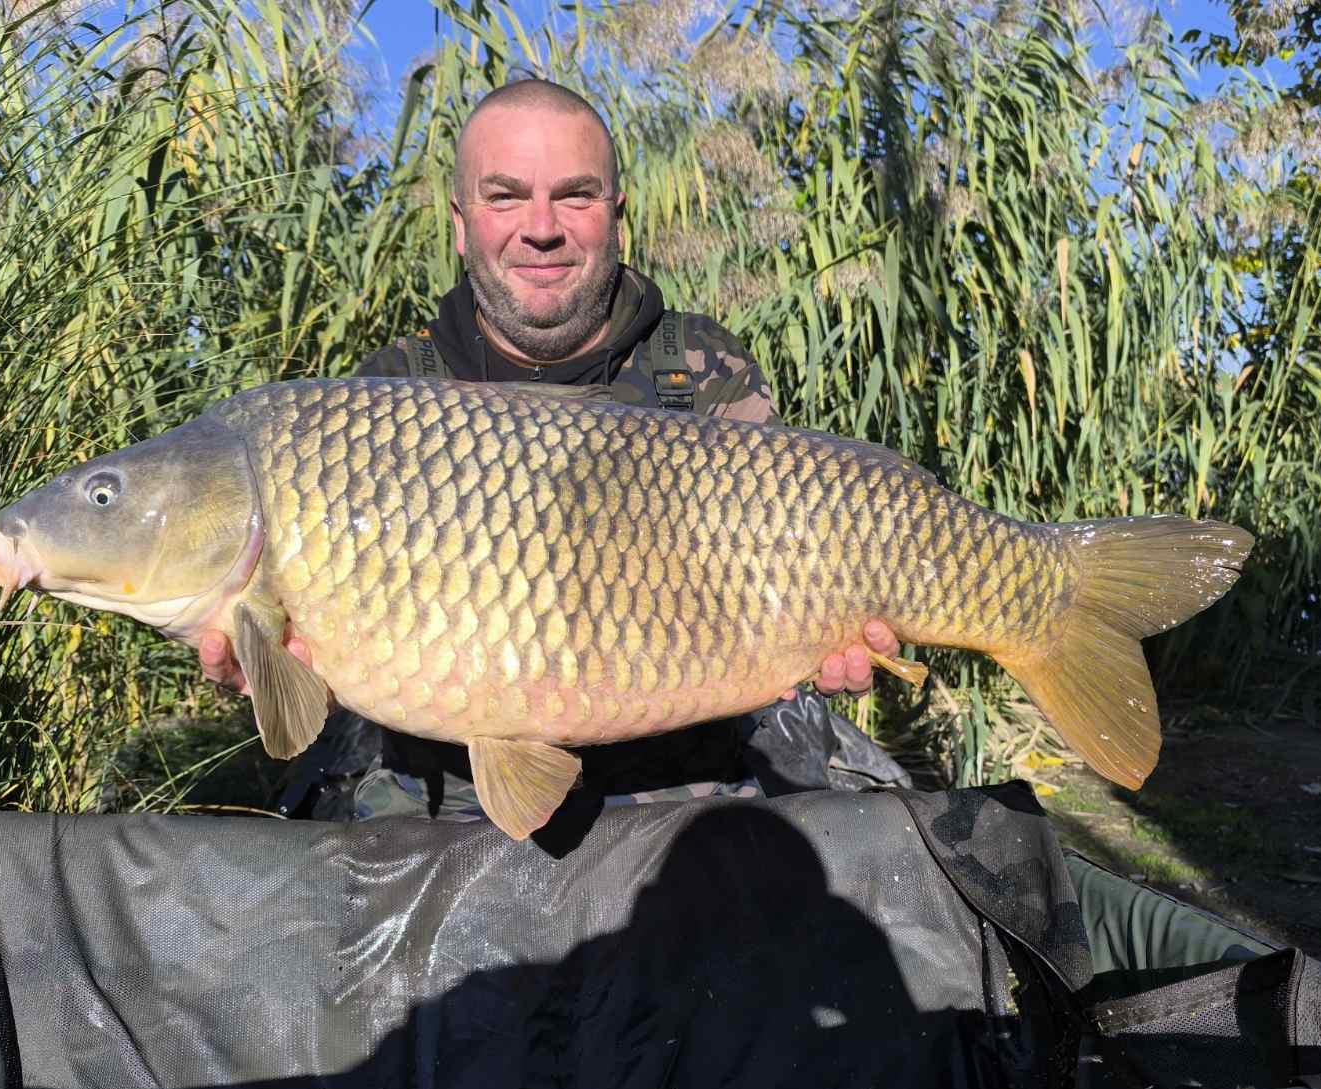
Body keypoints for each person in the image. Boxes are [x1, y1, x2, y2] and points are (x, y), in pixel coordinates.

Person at [199, 79, 904, 822]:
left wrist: (832, 637)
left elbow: (796, 561)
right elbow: (319, 670)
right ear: (462, 223)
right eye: (505, 197)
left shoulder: (703, 370)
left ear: (617, 217)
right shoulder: (384, 399)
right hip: (448, 795)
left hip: (683, 791)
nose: (541, 228)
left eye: (575, 196)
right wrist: (271, 667)